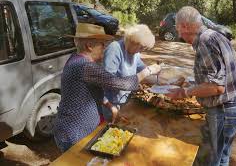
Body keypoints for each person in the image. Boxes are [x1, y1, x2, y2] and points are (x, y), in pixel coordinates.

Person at [53, 23, 161, 152]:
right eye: (102, 44)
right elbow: (120, 83)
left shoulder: (78, 60)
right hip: (74, 132)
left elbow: (91, 91)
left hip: (75, 129)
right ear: (89, 46)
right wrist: (147, 71)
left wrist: (109, 105)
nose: (105, 47)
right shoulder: (85, 66)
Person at [165, 6, 236, 166]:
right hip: (234, 106)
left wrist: (184, 92)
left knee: (210, 159)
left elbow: (217, 87)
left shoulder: (205, 42)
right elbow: (218, 77)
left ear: (184, 26)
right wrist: (193, 83)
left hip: (224, 110)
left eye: (178, 29)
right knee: (222, 155)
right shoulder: (214, 36)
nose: (179, 34)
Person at [101, 24, 157, 123]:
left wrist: (167, 82)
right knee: (114, 131)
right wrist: (147, 71)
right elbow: (107, 82)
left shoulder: (135, 53)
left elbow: (144, 71)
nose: (142, 51)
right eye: (141, 47)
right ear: (133, 42)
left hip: (126, 101)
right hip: (112, 104)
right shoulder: (115, 49)